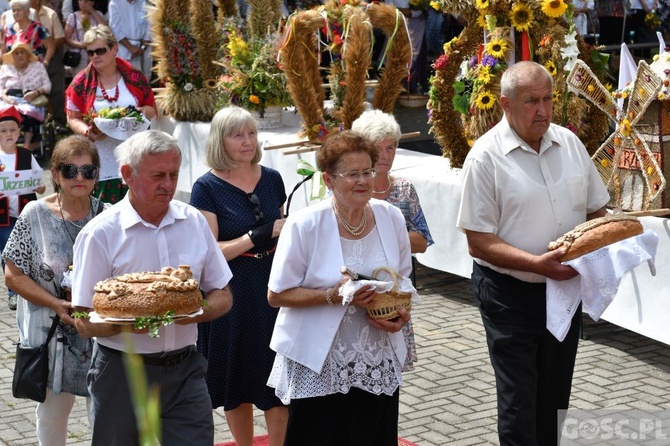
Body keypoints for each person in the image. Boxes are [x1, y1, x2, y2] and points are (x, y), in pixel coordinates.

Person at [455, 61, 610, 446]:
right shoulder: (485, 157)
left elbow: (596, 210)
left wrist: (604, 242)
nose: (542, 110)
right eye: (531, 102)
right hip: (509, 294)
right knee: (519, 404)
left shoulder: (570, 143)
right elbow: (478, 240)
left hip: (563, 292)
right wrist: (537, 264)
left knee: (555, 398)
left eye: (548, 99)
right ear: (505, 104)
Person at [71, 130, 234, 446]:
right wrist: (126, 323)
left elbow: (223, 293)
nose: (169, 184)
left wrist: (198, 313)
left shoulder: (194, 221)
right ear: (127, 175)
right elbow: (82, 319)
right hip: (121, 373)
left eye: (174, 174)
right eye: (158, 175)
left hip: (185, 368)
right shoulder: (100, 234)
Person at [266, 130, 412, 445]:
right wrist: (335, 295)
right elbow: (277, 294)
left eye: (368, 172)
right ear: (329, 180)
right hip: (320, 361)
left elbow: (403, 281)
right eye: (352, 174)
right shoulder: (305, 223)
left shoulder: (391, 218)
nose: (363, 181)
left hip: (375, 356)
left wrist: (400, 315)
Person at [190, 106, 288, 446]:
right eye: (238, 135)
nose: (247, 141)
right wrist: (256, 235)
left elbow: (282, 231)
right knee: (237, 379)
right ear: (221, 140)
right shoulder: (207, 187)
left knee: (278, 377)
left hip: (272, 287)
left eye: (251, 133)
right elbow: (209, 252)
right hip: (231, 290)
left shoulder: (273, 178)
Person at [3, 135, 106, 446]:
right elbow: (13, 275)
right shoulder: (34, 214)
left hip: (100, 335)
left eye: (87, 171)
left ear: (97, 176)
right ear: (55, 175)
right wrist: (55, 304)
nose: (79, 178)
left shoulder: (110, 215)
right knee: (51, 416)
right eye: (69, 170)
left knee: (104, 413)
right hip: (49, 334)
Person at [351, 109, 433, 371]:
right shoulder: (349, 189)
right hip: (357, 294)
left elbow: (422, 241)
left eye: (392, 147)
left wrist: (384, 233)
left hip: (394, 299)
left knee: (391, 371)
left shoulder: (403, 189)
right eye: (378, 147)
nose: (385, 155)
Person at [65, 24, 156, 204]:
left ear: (114, 48)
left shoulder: (134, 76)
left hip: (134, 154)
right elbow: (73, 117)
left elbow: (151, 109)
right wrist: (87, 132)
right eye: (90, 53)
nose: (95, 56)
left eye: (100, 50)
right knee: (104, 212)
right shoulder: (81, 81)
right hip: (101, 157)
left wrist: (137, 114)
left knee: (140, 208)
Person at [0, 105, 45, 310]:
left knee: (28, 252)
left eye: (12, 130)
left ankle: (30, 287)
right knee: (8, 254)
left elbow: (40, 183)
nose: (8, 134)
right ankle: (13, 292)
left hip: (25, 213)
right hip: (3, 216)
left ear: (19, 132)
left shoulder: (27, 156)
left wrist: (40, 186)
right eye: (3, 130)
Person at [0, 42, 51, 152]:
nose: (19, 55)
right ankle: (4, 146)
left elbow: (48, 86)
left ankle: (26, 147)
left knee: (28, 114)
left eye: (22, 52)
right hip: (9, 100)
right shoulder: (6, 68)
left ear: (28, 54)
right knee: (5, 116)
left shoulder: (38, 66)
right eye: (16, 53)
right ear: (12, 56)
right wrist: (5, 98)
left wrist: (36, 92)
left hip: (31, 100)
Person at [27, 0, 68, 134]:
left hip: (51, 55)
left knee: (56, 90)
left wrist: (47, 45)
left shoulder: (51, 15)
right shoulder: (23, 13)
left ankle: (58, 122)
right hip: (28, 57)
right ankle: (31, 125)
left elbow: (60, 38)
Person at [107, 0, 152, 81]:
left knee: (145, 79)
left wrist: (143, 47)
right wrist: (130, 47)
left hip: (144, 47)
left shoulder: (144, 2)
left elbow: (151, 26)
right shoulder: (115, 3)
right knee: (125, 79)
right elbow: (115, 28)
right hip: (124, 48)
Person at [63, 0, 107, 76]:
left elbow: (105, 30)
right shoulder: (73, 17)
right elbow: (66, 39)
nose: (83, 3)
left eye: (86, 1)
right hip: (80, 57)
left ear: (92, 2)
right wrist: (81, 45)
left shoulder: (98, 14)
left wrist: (92, 11)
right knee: (81, 83)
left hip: (96, 55)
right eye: (81, 1)